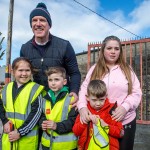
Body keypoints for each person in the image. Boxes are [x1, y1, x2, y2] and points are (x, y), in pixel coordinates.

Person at [77, 35, 142, 150]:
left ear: (120, 52)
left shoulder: (127, 69)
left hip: (125, 121)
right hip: (100, 122)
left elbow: (136, 92)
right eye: (109, 48)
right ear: (103, 50)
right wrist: (82, 107)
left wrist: (125, 107)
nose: (113, 52)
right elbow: (84, 90)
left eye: (116, 49)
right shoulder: (94, 69)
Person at [20, 2, 81, 103]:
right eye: (34, 20)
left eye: (42, 20)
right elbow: (23, 75)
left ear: (49, 25)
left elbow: (74, 73)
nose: (38, 24)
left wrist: (74, 91)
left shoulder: (64, 46)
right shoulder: (25, 48)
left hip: (61, 100)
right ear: (31, 25)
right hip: (37, 100)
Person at [0, 57, 44, 150]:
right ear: (13, 72)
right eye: (20, 70)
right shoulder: (6, 88)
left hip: (27, 141)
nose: (24, 74)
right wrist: (4, 121)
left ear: (31, 72)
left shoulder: (36, 89)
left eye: (27, 70)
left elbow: (36, 114)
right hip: (8, 138)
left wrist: (20, 132)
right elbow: (1, 107)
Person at [73, 80, 124, 150]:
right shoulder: (85, 111)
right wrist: (85, 121)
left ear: (106, 96)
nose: (98, 103)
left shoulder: (112, 110)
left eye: (101, 100)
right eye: (94, 100)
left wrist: (106, 126)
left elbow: (120, 133)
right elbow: (76, 132)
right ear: (87, 97)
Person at [40, 67, 78, 150]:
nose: (53, 83)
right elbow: (42, 116)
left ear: (64, 82)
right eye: (50, 80)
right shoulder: (44, 99)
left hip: (66, 146)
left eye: (56, 80)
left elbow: (73, 121)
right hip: (47, 145)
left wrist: (57, 126)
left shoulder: (71, 99)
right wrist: (42, 123)